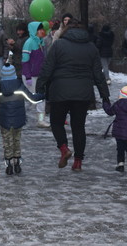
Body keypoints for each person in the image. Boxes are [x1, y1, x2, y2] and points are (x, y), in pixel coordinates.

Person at [36, 19, 110, 171]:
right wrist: (105, 97)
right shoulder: (91, 48)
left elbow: (47, 68)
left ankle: (64, 148)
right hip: (83, 93)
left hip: (60, 90)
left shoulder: (58, 45)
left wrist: (40, 87)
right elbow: (98, 74)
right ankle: (78, 162)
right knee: (78, 127)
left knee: (56, 122)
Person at [0, 63, 44, 175]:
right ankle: (17, 163)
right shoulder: (19, 85)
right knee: (16, 140)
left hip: (4, 119)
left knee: (7, 141)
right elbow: (32, 99)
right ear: (14, 74)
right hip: (18, 118)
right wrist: (43, 95)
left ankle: (8, 164)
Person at [102, 84, 127, 172]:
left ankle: (120, 164)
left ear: (121, 95)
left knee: (120, 148)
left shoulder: (118, 104)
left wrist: (105, 102)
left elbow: (109, 111)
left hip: (119, 132)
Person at [22, 21, 50, 128]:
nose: (42, 31)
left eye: (43, 29)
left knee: (40, 98)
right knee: (31, 99)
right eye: (40, 29)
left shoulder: (40, 42)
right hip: (31, 76)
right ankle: (19, 116)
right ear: (35, 31)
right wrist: (28, 76)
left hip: (39, 75)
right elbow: (25, 61)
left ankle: (40, 120)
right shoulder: (29, 43)